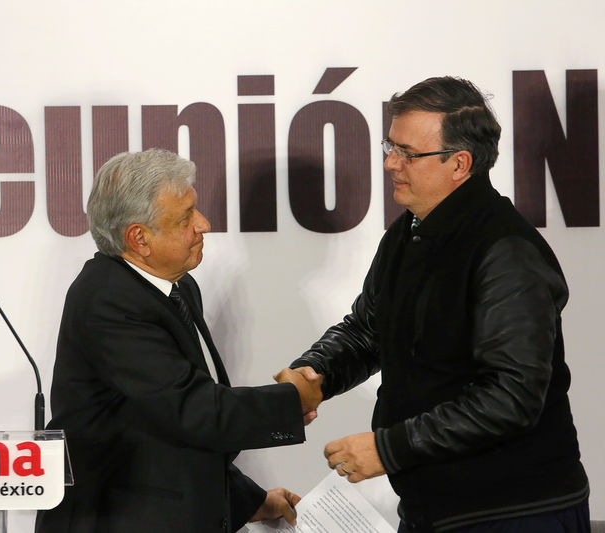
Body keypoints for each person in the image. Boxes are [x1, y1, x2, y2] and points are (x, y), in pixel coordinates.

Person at [276, 76, 590, 532]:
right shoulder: (408, 232)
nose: (389, 163)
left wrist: (389, 450)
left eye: (407, 153)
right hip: (434, 509)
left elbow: (511, 396)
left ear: (459, 163)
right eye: (390, 146)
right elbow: (368, 330)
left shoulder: (506, 251)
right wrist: (313, 375)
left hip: (514, 512)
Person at [36, 149, 322, 533]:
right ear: (139, 238)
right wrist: (292, 400)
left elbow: (168, 433)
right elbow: (192, 409)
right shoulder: (107, 299)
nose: (203, 224)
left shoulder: (177, 287)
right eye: (186, 216)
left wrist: (252, 502)